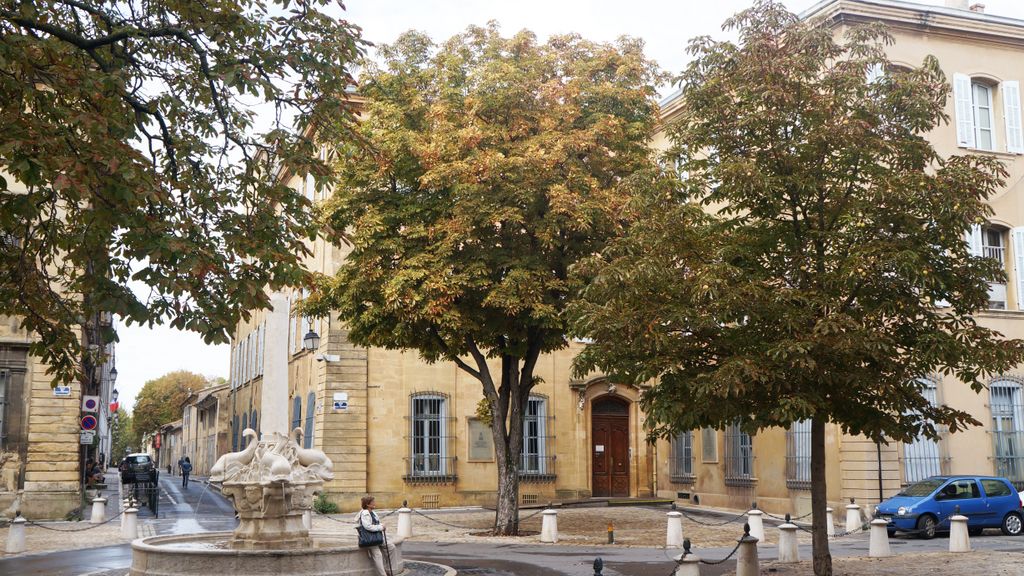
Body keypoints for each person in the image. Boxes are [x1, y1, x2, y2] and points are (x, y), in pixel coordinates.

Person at [355, 495, 397, 576]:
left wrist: (381, 525)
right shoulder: (365, 513)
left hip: (377, 536)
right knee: (378, 554)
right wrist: (380, 527)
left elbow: (375, 523)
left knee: (391, 547)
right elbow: (368, 526)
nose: (375, 503)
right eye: (373, 502)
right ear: (368, 504)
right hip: (369, 538)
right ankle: (383, 574)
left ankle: (389, 569)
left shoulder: (373, 512)